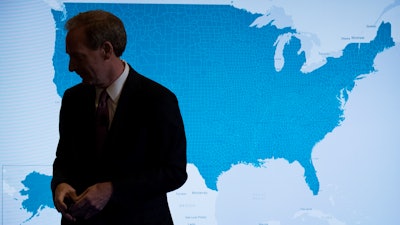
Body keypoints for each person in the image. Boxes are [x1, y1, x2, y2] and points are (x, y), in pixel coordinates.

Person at [51, 10, 188, 225]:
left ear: (106, 50)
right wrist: (60, 183)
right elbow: (64, 159)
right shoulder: (72, 99)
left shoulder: (158, 100)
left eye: (78, 56)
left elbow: (174, 172)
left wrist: (112, 190)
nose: (71, 67)